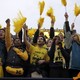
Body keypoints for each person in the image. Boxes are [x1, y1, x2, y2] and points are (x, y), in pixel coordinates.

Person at [63, 12, 80, 78]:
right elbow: (67, 33)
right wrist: (66, 19)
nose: (73, 36)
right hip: (71, 68)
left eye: (75, 35)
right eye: (73, 35)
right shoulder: (70, 44)